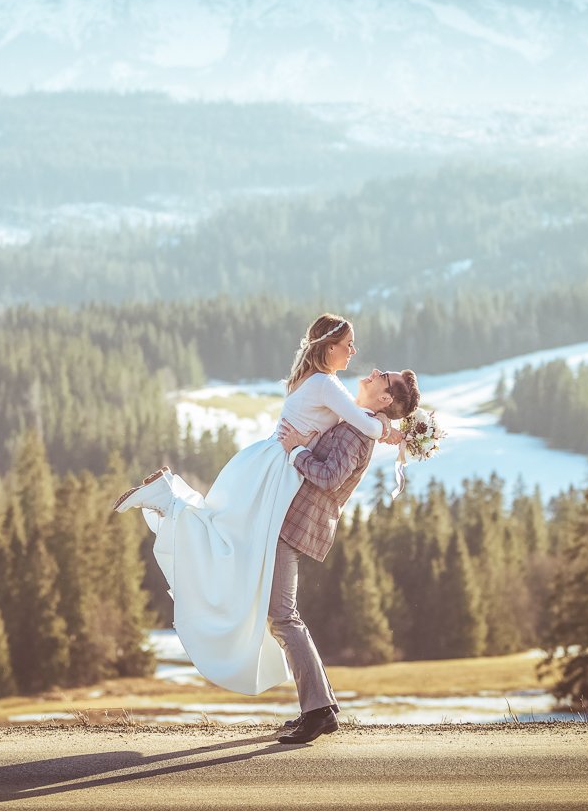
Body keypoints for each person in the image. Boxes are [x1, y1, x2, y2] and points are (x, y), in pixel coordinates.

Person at [112, 314, 405, 712]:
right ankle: (167, 497)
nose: (357, 355)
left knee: (230, 543)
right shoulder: (327, 386)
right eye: (349, 344)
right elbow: (364, 429)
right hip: (276, 474)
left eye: (379, 375)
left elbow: (348, 442)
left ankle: (168, 497)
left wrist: (382, 427)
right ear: (329, 346)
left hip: (272, 470)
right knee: (231, 545)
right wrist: (390, 430)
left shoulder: (320, 384)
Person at [270, 367, 420, 743]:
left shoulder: (358, 431)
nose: (371, 373)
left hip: (298, 522)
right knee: (282, 616)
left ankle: (317, 711)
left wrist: (297, 450)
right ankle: (321, 706)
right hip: (294, 518)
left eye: (381, 376)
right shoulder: (361, 421)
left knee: (283, 617)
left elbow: (330, 476)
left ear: (385, 399)